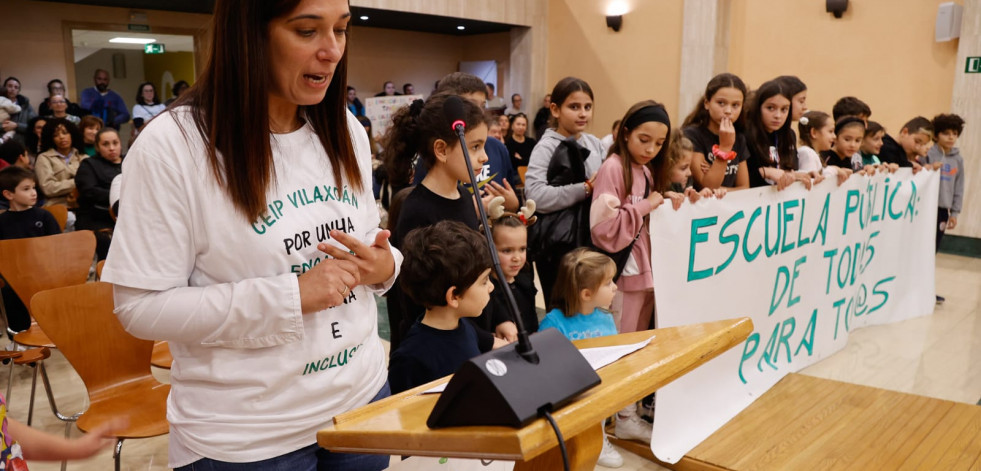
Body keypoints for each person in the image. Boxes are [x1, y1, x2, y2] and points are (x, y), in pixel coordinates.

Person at [100, 1, 400, 469]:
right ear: (248, 34)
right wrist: (290, 295)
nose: (332, 50)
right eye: (306, 31)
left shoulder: (345, 128)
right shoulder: (173, 146)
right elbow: (140, 307)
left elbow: (367, 247)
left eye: (341, 30)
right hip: (248, 437)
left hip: (360, 400)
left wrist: (385, 266)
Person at [384, 93, 496, 353]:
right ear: (442, 150)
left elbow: (479, 270)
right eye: (475, 147)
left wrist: (498, 319)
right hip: (442, 347)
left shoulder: (466, 197)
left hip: (473, 334)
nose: (485, 157)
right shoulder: (417, 211)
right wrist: (484, 339)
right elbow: (418, 304)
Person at [538, 248, 626, 468]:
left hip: (598, 388)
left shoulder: (605, 317)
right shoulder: (553, 323)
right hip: (568, 395)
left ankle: (599, 438)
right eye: (608, 283)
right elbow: (544, 366)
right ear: (586, 294)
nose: (615, 287)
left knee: (600, 411)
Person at [388, 220, 496, 394]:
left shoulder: (465, 327)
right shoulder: (410, 358)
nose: (491, 287)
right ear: (453, 296)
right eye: (484, 281)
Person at [590, 101, 669, 334]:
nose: (651, 150)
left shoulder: (646, 171)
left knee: (639, 339)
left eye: (659, 144)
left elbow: (648, 210)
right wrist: (646, 205)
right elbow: (602, 228)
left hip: (646, 270)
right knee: (621, 339)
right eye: (644, 140)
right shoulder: (612, 168)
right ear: (626, 133)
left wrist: (666, 201)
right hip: (623, 271)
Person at [525, 76, 605, 302]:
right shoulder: (546, 146)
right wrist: (586, 188)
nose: (583, 114)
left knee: (588, 303)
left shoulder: (595, 143)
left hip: (588, 239)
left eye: (587, 107)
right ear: (555, 109)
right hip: (557, 244)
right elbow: (536, 196)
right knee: (562, 305)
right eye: (574, 107)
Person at [410, 72, 521, 212]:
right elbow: (426, 207)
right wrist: (469, 210)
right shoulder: (434, 157)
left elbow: (511, 196)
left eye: (483, 105)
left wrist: (513, 204)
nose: (479, 113)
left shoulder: (498, 148)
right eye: (471, 106)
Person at [0, 167, 61, 336]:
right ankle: (20, 333)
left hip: (44, 271)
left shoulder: (44, 216)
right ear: (9, 195)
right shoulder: (2, 221)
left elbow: (59, 246)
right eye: (26, 189)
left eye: (33, 188)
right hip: (14, 274)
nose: (33, 193)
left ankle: (51, 329)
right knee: (8, 290)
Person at [477, 197, 539, 340]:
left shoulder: (524, 279)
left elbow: (531, 318)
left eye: (522, 249)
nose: (517, 257)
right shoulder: (487, 289)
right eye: (507, 251)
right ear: (489, 248)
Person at [683, 73, 751, 191]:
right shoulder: (692, 135)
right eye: (721, 103)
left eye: (735, 105)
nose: (728, 111)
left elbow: (744, 187)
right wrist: (724, 148)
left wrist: (722, 190)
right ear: (707, 103)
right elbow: (707, 186)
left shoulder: (739, 138)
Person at [924, 113, 966, 303]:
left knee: (933, 250)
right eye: (946, 133)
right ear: (936, 135)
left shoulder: (958, 160)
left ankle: (927, 290)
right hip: (925, 209)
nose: (951, 137)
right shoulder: (928, 154)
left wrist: (955, 212)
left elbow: (959, 187)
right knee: (921, 249)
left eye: (955, 133)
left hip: (942, 211)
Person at [742, 79, 808, 190]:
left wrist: (799, 176)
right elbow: (735, 180)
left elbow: (787, 170)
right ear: (758, 108)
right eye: (770, 108)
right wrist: (764, 172)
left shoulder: (789, 135)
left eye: (784, 109)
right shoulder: (744, 135)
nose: (778, 115)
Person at [74, 127, 122, 260]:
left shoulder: (129, 161)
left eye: (115, 143)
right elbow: (89, 191)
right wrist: (120, 198)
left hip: (128, 215)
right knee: (108, 241)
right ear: (97, 147)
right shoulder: (89, 164)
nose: (112, 148)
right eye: (106, 144)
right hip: (97, 217)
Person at [35, 117, 85, 207]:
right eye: (55, 135)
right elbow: (48, 188)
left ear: (72, 134)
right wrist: (77, 182)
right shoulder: (44, 158)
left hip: (82, 206)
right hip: (57, 207)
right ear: (51, 138)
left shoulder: (83, 157)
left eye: (65, 133)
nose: (61, 137)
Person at [2, 77, 37, 145]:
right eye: (10, 86)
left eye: (16, 87)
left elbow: (35, 127)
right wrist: (3, 126)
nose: (13, 89)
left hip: (20, 144)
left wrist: (17, 126)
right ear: (4, 88)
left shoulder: (26, 105)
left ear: (18, 91)